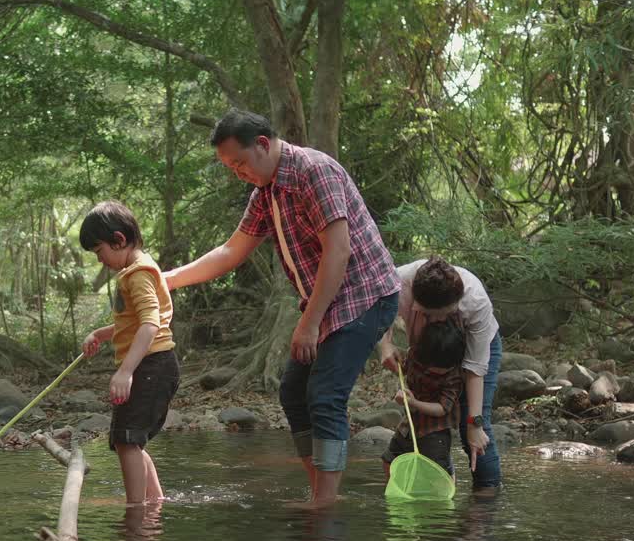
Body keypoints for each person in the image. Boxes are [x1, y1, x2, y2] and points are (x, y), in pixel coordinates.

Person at [164, 108, 400, 507]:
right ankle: (320, 492)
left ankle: (325, 501)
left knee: (325, 394)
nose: (238, 173)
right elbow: (230, 251)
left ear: (262, 144)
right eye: (230, 168)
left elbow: (338, 252)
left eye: (240, 163)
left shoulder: (313, 171)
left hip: (366, 296)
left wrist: (307, 324)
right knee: (294, 392)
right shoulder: (266, 193)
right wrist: (165, 279)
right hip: (327, 302)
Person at [80, 201, 180, 505]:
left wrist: (125, 371)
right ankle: (154, 504)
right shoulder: (138, 271)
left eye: (100, 252)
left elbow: (150, 324)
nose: (101, 260)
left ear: (119, 240)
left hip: (151, 365)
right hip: (153, 364)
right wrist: (102, 333)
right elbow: (134, 321)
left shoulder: (137, 274)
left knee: (127, 441)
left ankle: (136, 510)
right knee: (129, 441)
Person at [378, 257, 503, 489]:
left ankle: (486, 500)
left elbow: (474, 368)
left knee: (473, 431)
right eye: (427, 315)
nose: (436, 321)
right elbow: (381, 306)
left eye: (445, 315)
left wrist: (475, 424)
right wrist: (385, 344)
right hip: (427, 353)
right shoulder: (397, 282)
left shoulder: (476, 302)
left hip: (475, 348)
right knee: (418, 425)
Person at [382, 319, 466, 481]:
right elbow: (403, 368)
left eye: (442, 369)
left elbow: (443, 408)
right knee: (389, 459)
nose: (434, 371)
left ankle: (444, 498)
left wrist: (413, 403)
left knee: (438, 472)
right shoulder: (417, 356)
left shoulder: (453, 377)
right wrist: (396, 358)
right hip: (410, 424)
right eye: (430, 366)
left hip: (435, 430)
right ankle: (396, 490)